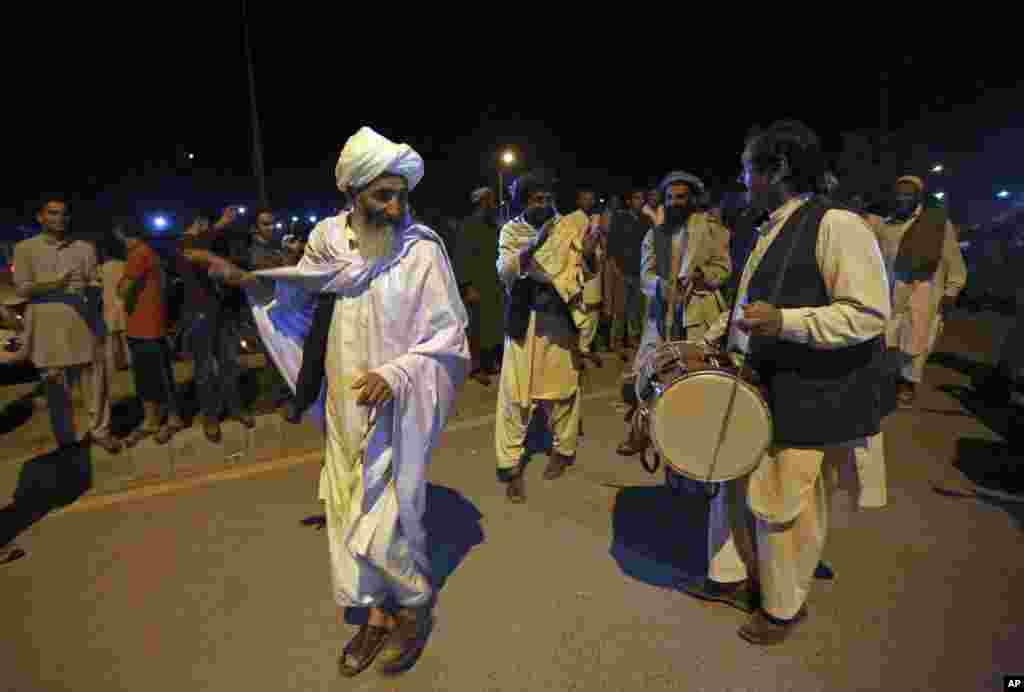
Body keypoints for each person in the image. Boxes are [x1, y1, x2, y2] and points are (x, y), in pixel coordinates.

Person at [195, 126, 469, 677]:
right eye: (381, 196)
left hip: (399, 406)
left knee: (392, 512)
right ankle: (374, 616)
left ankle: (413, 608)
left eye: (400, 195)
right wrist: (251, 280)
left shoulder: (421, 252)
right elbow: (301, 293)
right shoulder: (326, 239)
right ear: (353, 195)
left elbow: (450, 337)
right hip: (345, 408)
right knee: (347, 506)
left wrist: (397, 373)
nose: (394, 207)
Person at [679, 121, 891, 645]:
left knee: (783, 503)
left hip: (805, 390)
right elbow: (752, 307)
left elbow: (868, 314)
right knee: (730, 482)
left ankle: (781, 605)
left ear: (777, 170)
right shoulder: (769, 227)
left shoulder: (837, 226)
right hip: (753, 385)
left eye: (749, 167)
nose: (743, 178)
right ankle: (728, 578)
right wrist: (710, 336)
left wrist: (787, 322)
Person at [494, 169, 601, 503]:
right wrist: (532, 249)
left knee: (564, 391)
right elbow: (505, 270)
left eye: (548, 199)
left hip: (560, 320)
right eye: (537, 199)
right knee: (515, 394)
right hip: (524, 321)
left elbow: (587, 270)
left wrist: (586, 254)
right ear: (524, 202)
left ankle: (562, 450)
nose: (544, 204)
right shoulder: (512, 231)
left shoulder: (569, 226)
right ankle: (511, 466)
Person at [616, 170, 732, 456]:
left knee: (698, 377)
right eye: (670, 197)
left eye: (681, 197)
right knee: (647, 373)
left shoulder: (711, 229)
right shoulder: (654, 234)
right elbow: (646, 275)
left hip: (699, 311)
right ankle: (639, 432)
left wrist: (702, 276)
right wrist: (664, 286)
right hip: (662, 314)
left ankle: (695, 439)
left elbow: (724, 268)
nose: (675, 202)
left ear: (692, 199)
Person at [13, 198, 121, 453]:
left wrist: (93, 293)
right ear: (40, 217)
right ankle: (66, 442)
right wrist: (55, 285)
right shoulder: (25, 248)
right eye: (52, 213)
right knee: (57, 391)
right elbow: (22, 288)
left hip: (84, 325)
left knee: (96, 383)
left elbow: (95, 281)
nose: (59, 218)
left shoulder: (84, 248)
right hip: (48, 331)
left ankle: (100, 432)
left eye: (63, 214)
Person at [868, 175, 968, 408]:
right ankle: (890, 380)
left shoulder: (938, 224)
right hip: (893, 290)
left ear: (918, 197)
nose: (902, 198)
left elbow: (953, 259)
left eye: (908, 194)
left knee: (916, 340)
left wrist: (952, 289)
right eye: (899, 194)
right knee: (891, 337)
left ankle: (908, 384)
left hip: (925, 291)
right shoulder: (887, 224)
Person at [175, 209, 254, 443]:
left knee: (228, 364)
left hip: (220, 313)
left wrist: (236, 275)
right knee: (205, 370)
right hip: (198, 315)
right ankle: (210, 417)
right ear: (199, 224)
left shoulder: (203, 244)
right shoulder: (184, 242)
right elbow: (199, 252)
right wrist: (220, 224)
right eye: (207, 226)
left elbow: (216, 268)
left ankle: (235, 408)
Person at [115, 221, 185, 446]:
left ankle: (172, 420)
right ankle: (151, 421)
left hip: (147, 328)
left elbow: (122, 290)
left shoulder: (138, 254)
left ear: (120, 233)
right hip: (145, 327)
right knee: (148, 377)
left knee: (157, 378)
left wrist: (119, 284)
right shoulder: (149, 253)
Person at [455, 187, 504, 385]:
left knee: (491, 326)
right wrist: (467, 286)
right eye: (491, 201)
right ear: (482, 202)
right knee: (475, 328)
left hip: (492, 283)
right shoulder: (468, 225)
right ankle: (475, 368)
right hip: (476, 285)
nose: (494, 204)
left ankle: (488, 362)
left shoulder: (493, 226)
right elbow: (460, 257)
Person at [604, 188, 649, 359]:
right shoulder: (620, 218)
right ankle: (615, 342)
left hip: (639, 271)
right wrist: (615, 269)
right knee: (620, 309)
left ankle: (632, 339)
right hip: (622, 270)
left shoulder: (646, 220)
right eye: (637, 198)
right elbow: (612, 244)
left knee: (635, 309)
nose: (640, 201)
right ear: (630, 201)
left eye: (642, 198)